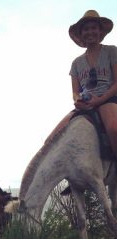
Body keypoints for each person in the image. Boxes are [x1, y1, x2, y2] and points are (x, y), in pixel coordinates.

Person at [46, 11, 117, 157]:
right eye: (86, 29)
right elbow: (75, 92)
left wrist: (101, 99)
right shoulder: (76, 63)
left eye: (93, 28)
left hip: (108, 99)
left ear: (100, 31)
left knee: (114, 128)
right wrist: (77, 100)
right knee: (50, 141)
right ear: (81, 33)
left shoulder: (111, 51)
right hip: (85, 103)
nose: (90, 32)